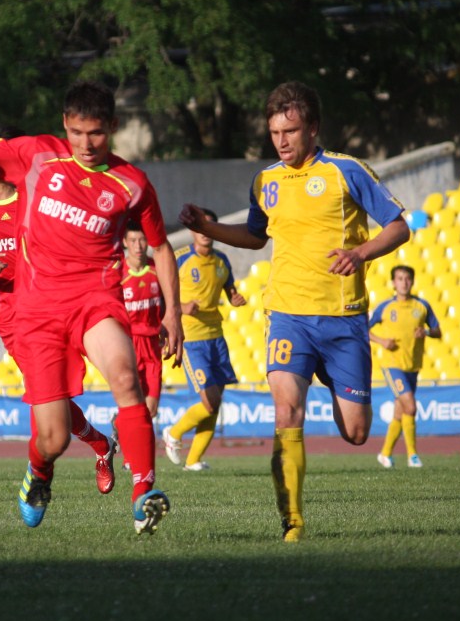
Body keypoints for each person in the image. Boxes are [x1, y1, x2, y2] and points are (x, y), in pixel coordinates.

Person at [0, 79, 183, 535]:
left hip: (95, 299)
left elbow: (162, 247)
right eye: (77, 132)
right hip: (37, 310)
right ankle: (38, 471)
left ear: (113, 126)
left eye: (96, 133)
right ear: (64, 125)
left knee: (125, 377)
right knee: (52, 438)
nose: (86, 144)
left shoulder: (131, 183)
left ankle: (143, 494)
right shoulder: (37, 154)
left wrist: (172, 313)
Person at [178, 81, 410, 542]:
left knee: (356, 433)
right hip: (288, 316)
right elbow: (254, 236)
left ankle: (330, 377)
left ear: (313, 128)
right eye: (274, 133)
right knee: (286, 412)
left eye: (291, 131)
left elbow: (398, 227)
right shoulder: (265, 181)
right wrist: (208, 227)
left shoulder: (346, 171)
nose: (281, 141)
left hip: (344, 319)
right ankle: (293, 522)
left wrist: (360, 254)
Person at [0, 122, 119, 496]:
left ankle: (112, 445)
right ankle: (96, 446)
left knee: (83, 384)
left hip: (59, 301)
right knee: (49, 395)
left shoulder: (37, 194)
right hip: (14, 315)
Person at [162, 208, 247, 472]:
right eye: (200, 227)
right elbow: (161, 292)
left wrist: (235, 298)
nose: (205, 233)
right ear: (192, 231)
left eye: (210, 227)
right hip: (191, 338)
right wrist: (181, 306)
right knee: (209, 402)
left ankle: (194, 460)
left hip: (216, 337)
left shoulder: (221, 260)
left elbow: (230, 290)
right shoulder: (180, 258)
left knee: (215, 403)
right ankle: (173, 433)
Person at [369, 265, 441, 469]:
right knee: (410, 406)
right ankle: (413, 455)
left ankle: (385, 454)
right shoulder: (385, 307)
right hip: (392, 365)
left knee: (400, 413)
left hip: (412, 366)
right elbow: (362, 328)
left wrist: (426, 332)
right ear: (393, 283)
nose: (404, 282)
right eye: (400, 278)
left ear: (412, 281)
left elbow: (437, 331)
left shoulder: (422, 306)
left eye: (407, 278)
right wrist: (382, 341)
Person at [120, 221, 165, 420]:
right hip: (129, 344)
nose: (138, 246)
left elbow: (168, 301)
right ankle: (121, 429)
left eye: (142, 240)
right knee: (134, 404)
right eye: (133, 241)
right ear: (125, 242)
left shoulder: (158, 268)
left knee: (151, 408)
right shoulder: (117, 272)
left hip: (153, 343)